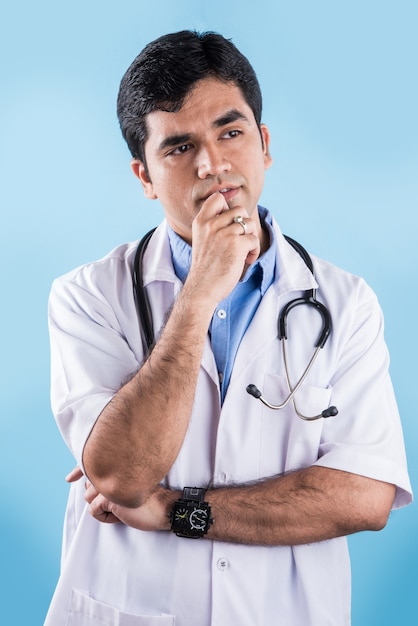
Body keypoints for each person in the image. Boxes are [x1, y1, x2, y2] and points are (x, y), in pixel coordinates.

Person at [45, 30, 412, 626]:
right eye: (179, 147)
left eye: (231, 132)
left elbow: (365, 496)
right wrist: (196, 300)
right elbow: (121, 475)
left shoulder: (346, 303)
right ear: (144, 176)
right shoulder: (90, 297)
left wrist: (171, 509)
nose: (212, 164)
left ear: (264, 144)